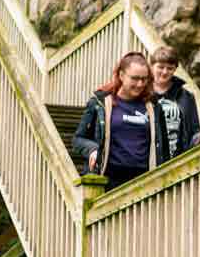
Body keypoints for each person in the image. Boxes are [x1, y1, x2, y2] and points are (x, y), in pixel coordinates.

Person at [71, 52, 173, 187]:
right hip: (108, 180)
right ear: (121, 75)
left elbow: (164, 150)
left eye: (144, 79)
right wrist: (93, 149)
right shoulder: (99, 103)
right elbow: (77, 140)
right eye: (135, 78)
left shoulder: (154, 107)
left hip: (144, 182)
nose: (140, 84)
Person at [148, 46, 200, 158]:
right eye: (160, 67)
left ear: (175, 69)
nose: (165, 72)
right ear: (152, 66)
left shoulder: (186, 97)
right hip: (148, 158)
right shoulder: (142, 93)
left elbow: (195, 130)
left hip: (178, 158)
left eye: (170, 68)